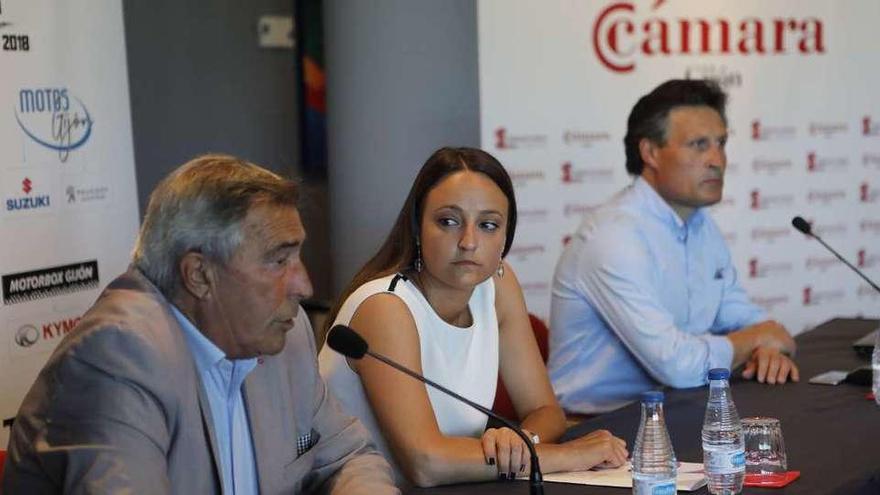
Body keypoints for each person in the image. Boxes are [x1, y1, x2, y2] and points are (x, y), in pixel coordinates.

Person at [2, 154, 397, 494]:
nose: (304, 284)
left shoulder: (285, 338)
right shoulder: (117, 356)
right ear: (199, 275)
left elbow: (351, 457)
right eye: (279, 261)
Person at [318, 147, 628, 488]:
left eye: (488, 225)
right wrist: (567, 455)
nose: (468, 242)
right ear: (418, 228)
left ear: (505, 238)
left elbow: (545, 410)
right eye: (448, 221)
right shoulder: (385, 305)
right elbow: (426, 463)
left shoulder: (498, 284)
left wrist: (519, 443)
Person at [548, 79, 800, 415]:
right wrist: (757, 339)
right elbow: (676, 364)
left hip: (675, 411)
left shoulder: (699, 224)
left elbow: (741, 316)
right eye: (698, 145)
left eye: (721, 143)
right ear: (650, 152)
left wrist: (767, 348)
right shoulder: (613, 237)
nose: (717, 160)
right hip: (592, 428)